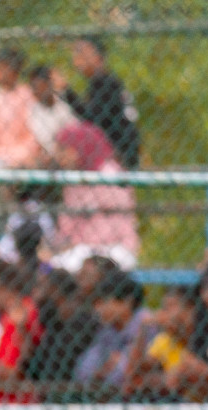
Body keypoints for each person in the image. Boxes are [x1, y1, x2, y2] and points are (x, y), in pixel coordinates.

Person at [51, 122, 139, 272]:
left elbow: (117, 226)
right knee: (52, 266)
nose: (59, 156)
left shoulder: (110, 174)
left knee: (86, 267)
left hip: (113, 247)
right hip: (80, 248)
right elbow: (67, 227)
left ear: (80, 146)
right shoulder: (73, 178)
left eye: (64, 149)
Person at [58, 36, 140, 170]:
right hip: (114, 151)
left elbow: (93, 120)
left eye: (81, 52)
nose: (76, 59)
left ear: (97, 56)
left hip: (117, 154)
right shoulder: (100, 82)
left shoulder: (106, 83)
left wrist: (67, 92)